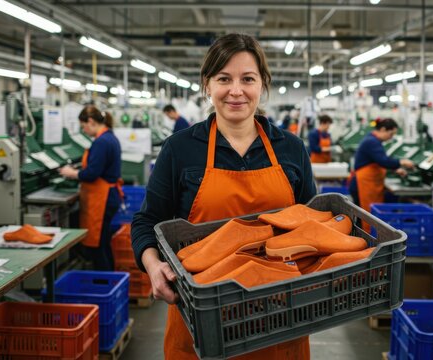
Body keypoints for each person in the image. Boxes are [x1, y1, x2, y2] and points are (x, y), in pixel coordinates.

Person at [131, 33, 316, 359]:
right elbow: (148, 220)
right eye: (223, 79)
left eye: (247, 79)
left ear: (262, 84)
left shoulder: (291, 148)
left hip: (280, 315)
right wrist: (152, 265)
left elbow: (311, 224)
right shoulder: (181, 148)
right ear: (207, 84)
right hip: (201, 313)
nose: (236, 90)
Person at [59, 105, 122, 271]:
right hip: (108, 195)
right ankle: (109, 279)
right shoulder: (109, 137)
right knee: (103, 241)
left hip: (103, 199)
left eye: (83, 126)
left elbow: (92, 173)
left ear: (91, 121)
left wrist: (71, 173)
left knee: (97, 245)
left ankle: (103, 281)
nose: (84, 130)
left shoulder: (102, 142)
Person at [348, 118, 414, 231]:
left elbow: (376, 162)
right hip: (362, 184)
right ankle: (365, 244)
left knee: (365, 217)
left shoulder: (373, 140)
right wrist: (401, 162)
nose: (391, 137)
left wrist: (395, 169)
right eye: (391, 133)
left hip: (365, 183)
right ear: (383, 129)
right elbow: (383, 161)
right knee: (365, 218)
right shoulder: (372, 142)